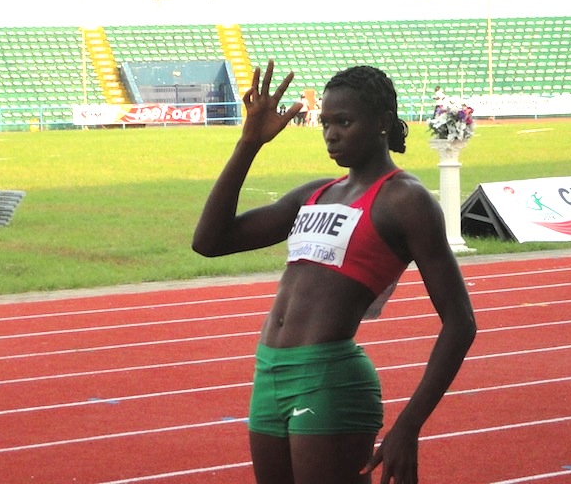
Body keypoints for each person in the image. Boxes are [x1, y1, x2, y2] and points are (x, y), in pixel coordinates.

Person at [192, 61, 477, 484]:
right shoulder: (316, 193)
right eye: (325, 122)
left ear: (381, 123)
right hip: (269, 373)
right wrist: (249, 142)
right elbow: (210, 242)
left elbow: (460, 322)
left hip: (329, 380)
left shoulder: (404, 199)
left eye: (344, 121)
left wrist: (409, 425)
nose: (331, 133)